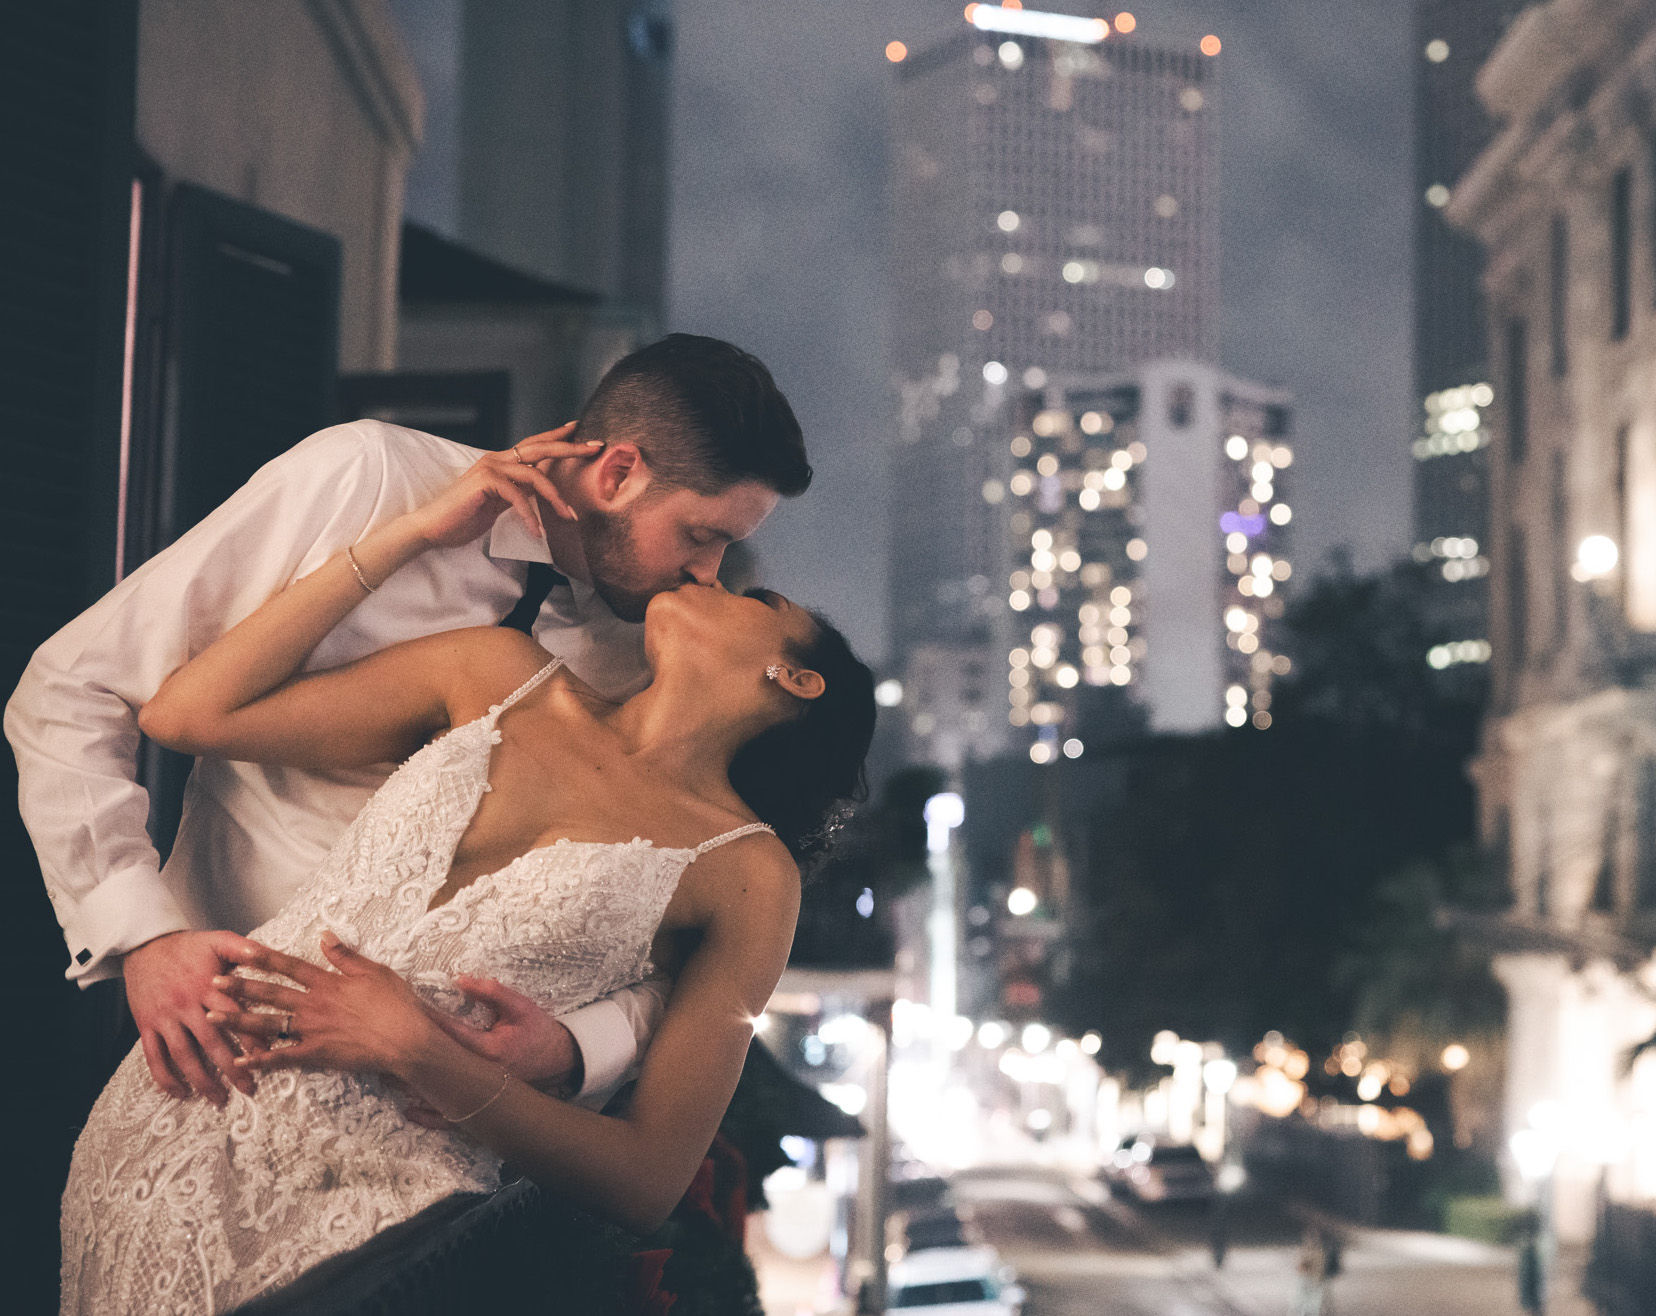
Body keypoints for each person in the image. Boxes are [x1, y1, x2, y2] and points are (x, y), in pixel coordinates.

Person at [58, 452, 878, 1314]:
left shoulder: (748, 872)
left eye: (756, 603)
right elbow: (189, 714)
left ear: (795, 678)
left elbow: (647, 1179)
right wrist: (411, 535)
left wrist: (419, 1051)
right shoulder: (496, 675)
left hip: (368, 1230)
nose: (713, 577)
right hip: (164, 1123)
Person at [7, 333, 811, 1114]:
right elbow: (71, 687)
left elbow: (663, 932)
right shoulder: (369, 478)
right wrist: (143, 937)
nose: (707, 576)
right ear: (620, 471)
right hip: (215, 1027)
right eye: (702, 537)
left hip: (427, 1108)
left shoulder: (649, 653)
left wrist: (575, 1048)